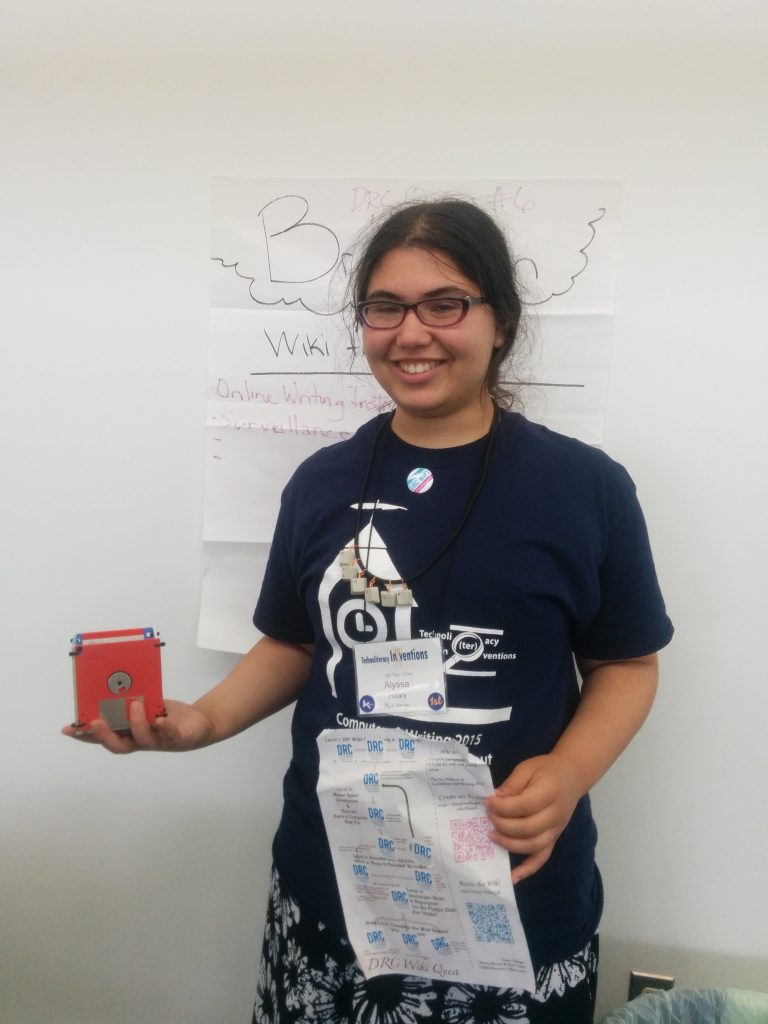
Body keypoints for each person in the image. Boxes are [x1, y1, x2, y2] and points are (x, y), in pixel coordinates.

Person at [64, 198, 673, 1024]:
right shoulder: (322, 480)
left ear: (502, 321)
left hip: (510, 892)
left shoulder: (586, 488)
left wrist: (570, 775)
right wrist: (201, 721)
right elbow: (293, 641)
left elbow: (627, 665)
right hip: (336, 886)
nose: (410, 332)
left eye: (445, 303)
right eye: (385, 307)